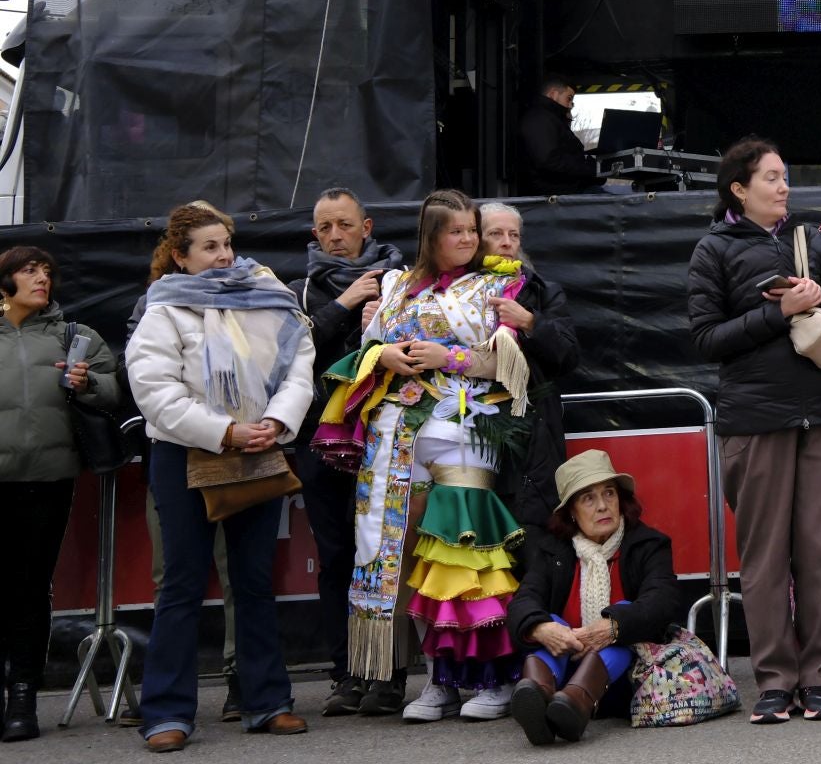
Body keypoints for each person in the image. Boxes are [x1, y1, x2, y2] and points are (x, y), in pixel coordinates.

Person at [311, 189, 534, 721]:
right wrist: (381, 353)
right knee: (403, 559)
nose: (468, 239)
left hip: (462, 426)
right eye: (456, 231)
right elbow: (364, 350)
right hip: (393, 437)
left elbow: (507, 360)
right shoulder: (394, 286)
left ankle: (494, 679)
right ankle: (438, 681)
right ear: (431, 237)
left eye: (471, 230)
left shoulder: (499, 284)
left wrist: (447, 356)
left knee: (464, 555)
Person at [686, 137, 821, 725]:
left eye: (785, 176)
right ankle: (772, 682)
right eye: (770, 177)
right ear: (739, 189)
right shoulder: (712, 248)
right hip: (754, 416)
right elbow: (706, 338)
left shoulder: (812, 241)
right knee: (764, 557)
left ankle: (819, 679)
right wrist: (778, 313)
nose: (784, 186)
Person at [126, 203, 314, 751]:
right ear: (180, 258)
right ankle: (166, 713)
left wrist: (277, 421)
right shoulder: (162, 311)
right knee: (182, 585)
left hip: (259, 448)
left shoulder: (266, 294)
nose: (224, 255)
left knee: (254, 581)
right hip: (186, 455)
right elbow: (156, 392)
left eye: (226, 243)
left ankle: (267, 701)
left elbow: (297, 362)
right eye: (209, 247)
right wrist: (224, 432)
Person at [0, 246, 121, 742]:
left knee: (30, 589)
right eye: (29, 271)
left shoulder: (76, 336)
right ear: (4, 282)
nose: (42, 279)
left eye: (47, 271)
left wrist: (88, 382)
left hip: (49, 480)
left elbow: (116, 390)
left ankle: (23, 696)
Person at [299, 187, 406, 717]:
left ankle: (387, 675)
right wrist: (342, 308)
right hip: (321, 443)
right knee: (337, 556)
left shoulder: (403, 283)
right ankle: (345, 674)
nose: (335, 236)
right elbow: (292, 357)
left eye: (344, 225)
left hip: (386, 439)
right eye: (325, 227)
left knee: (385, 558)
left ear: (367, 227)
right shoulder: (299, 292)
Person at [505, 451, 680, 745]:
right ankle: (538, 697)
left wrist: (612, 628)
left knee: (623, 616)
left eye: (609, 494)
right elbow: (523, 602)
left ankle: (576, 702)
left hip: (628, 679)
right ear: (571, 511)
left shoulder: (647, 544)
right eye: (588, 498)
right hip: (564, 668)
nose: (602, 506)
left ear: (619, 499)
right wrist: (542, 629)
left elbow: (663, 600)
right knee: (550, 621)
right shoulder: (553, 550)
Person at [477, 203, 583, 528]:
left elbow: (568, 356)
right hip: (469, 422)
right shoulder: (451, 291)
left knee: (530, 530)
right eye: (496, 234)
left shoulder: (543, 291)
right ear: (475, 238)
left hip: (531, 429)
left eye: (514, 235)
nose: (507, 242)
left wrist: (530, 322)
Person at [520, 75, 604, 195]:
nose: (570, 105)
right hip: (558, 196)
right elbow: (549, 160)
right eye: (569, 98)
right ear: (553, 94)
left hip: (566, 191)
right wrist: (590, 169)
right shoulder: (540, 119)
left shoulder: (549, 119)